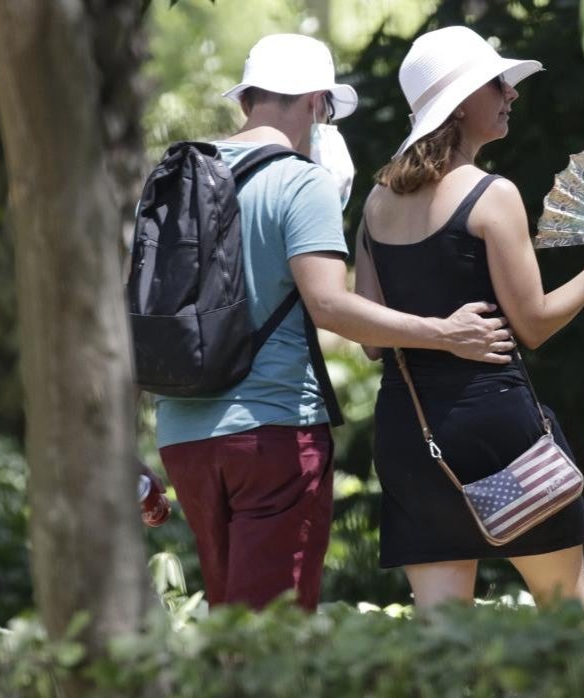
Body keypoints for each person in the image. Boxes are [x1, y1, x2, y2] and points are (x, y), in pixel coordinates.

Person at [155, 34, 516, 612]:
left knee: (229, 621)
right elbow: (331, 306)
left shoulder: (179, 175)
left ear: (247, 98)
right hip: (273, 433)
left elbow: (145, 307)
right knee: (274, 632)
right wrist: (444, 333)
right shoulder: (301, 180)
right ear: (318, 102)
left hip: (184, 435)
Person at [354, 26, 584, 610]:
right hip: (496, 426)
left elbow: (372, 342)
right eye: (497, 82)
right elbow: (535, 324)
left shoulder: (376, 204)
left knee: (444, 641)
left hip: (410, 430)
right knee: (565, 620)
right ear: (462, 101)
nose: (511, 94)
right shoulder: (492, 193)